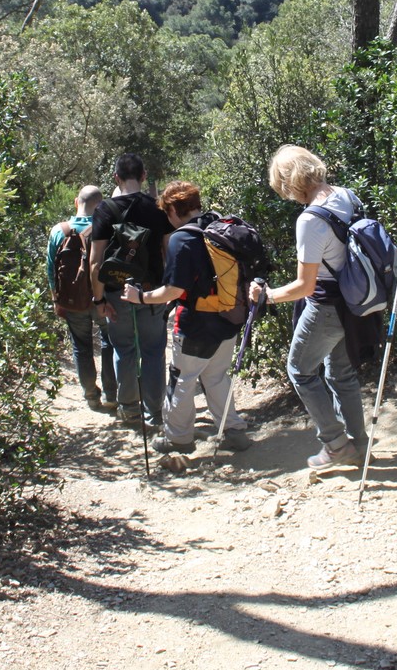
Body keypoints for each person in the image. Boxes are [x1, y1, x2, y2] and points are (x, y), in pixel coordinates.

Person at [250, 146, 369, 471]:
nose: (286, 194)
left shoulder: (310, 219)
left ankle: (336, 444)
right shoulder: (348, 196)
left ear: (289, 181)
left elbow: (305, 286)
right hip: (355, 303)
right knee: (341, 374)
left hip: (327, 307)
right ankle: (358, 444)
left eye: (282, 186)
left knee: (300, 371)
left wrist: (268, 296)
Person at [121, 182, 253, 455]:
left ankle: (178, 438)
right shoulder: (220, 224)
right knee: (216, 376)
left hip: (195, 324)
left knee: (182, 379)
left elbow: (173, 291)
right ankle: (234, 431)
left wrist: (140, 297)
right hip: (229, 316)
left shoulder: (182, 239)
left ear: (172, 209)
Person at [86, 153, 172, 430]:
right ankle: (154, 413)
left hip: (117, 292)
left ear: (116, 178)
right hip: (151, 292)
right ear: (144, 176)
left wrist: (99, 299)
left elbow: (95, 262)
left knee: (124, 350)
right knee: (153, 351)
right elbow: (168, 253)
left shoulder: (104, 210)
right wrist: (169, 291)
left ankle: (130, 409)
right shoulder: (158, 208)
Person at [47, 184, 116, 411]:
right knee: (109, 342)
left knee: (81, 346)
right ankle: (111, 393)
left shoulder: (59, 231)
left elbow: (51, 269)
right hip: (103, 297)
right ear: (100, 206)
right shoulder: (106, 228)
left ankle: (91, 396)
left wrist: (56, 300)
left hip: (72, 299)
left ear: (77, 202)